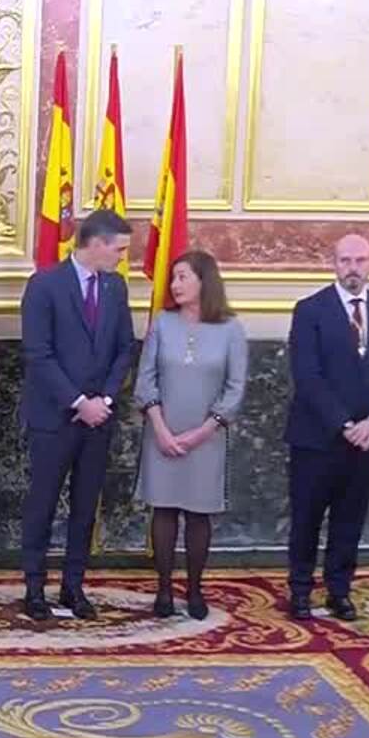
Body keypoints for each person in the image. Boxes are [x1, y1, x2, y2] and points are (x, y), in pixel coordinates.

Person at [284, 234, 369, 621]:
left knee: (349, 520)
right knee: (306, 518)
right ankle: (300, 590)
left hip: (366, 442)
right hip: (316, 438)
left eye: (360, 260)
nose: (352, 268)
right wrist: (344, 423)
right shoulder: (310, 310)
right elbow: (307, 376)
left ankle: (339, 591)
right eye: (345, 260)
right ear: (334, 264)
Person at [18, 209, 134, 620]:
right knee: (42, 503)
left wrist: (104, 400)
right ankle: (34, 588)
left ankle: (73, 586)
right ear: (97, 243)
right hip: (54, 418)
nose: (122, 257)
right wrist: (78, 402)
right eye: (119, 249)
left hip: (99, 419)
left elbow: (124, 348)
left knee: (86, 508)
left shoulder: (116, 287)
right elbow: (38, 354)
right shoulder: (44, 285)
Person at [134, 250, 248, 620]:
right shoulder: (163, 324)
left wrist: (203, 431)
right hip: (162, 433)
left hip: (207, 437)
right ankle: (164, 590)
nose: (174, 284)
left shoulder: (230, 329)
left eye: (183, 277)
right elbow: (145, 379)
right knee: (163, 510)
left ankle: (195, 590)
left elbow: (235, 388)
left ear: (204, 280)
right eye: (173, 277)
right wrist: (160, 428)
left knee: (199, 515)